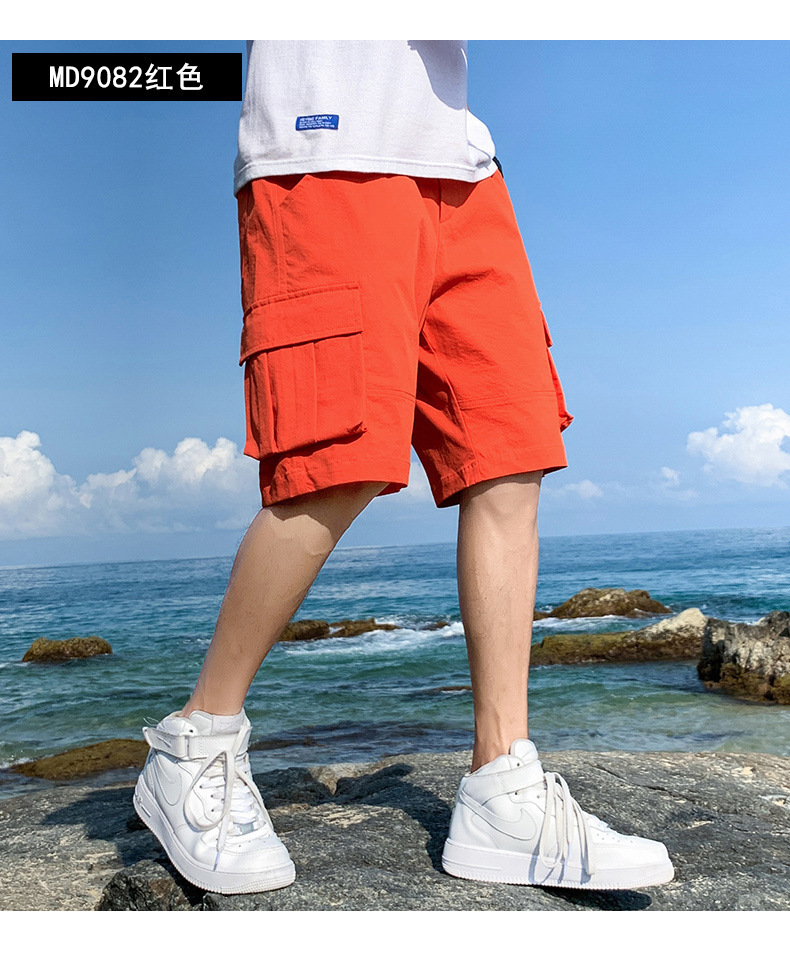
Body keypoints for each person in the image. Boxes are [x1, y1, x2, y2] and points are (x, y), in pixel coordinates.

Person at [133, 40, 674, 895]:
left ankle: (502, 788)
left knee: (510, 453)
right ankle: (195, 741)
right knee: (334, 462)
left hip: (464, 166)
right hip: (326, 149)